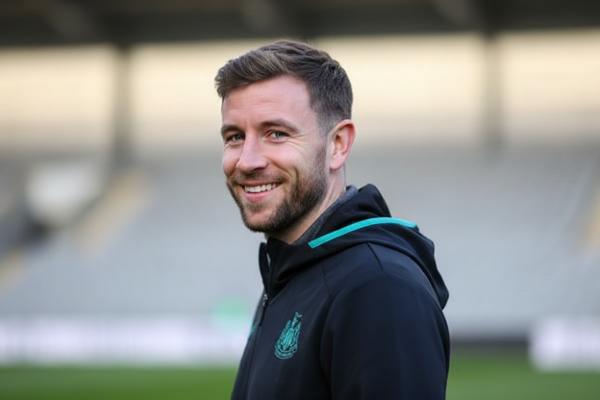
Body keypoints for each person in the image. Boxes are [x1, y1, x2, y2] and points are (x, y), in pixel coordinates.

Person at [215, 40, 449, 400]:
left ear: (338, 144)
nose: (247, 160)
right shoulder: (289, 271)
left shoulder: (379, 287)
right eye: (235, 137)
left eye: (276, 133)